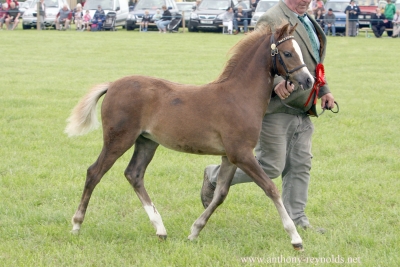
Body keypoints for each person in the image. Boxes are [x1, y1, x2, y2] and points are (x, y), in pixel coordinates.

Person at [200, 0, 335, 231]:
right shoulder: (271, 18)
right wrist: (278, 82)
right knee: (270, 166)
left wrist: (324, 90)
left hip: (303, 107)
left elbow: (309, 64)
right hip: (277, 109)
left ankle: (299, 221)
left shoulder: (308, 20)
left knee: (300, 165)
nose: (306, 1)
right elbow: (257, 61)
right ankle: (214, 175)